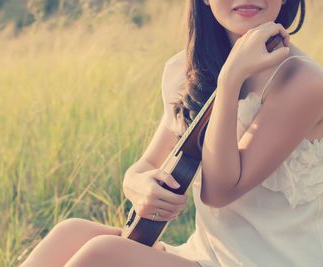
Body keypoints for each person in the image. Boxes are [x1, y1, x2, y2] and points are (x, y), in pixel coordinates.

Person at [20, 0, 323, 266]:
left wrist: (230, 79)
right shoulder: (188, 70)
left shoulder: (303, 82)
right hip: (207, 253)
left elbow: (219, 192)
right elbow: (145, 166)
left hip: (271, 259)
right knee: (70, 234)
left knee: (104, 254)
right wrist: (139, 186)